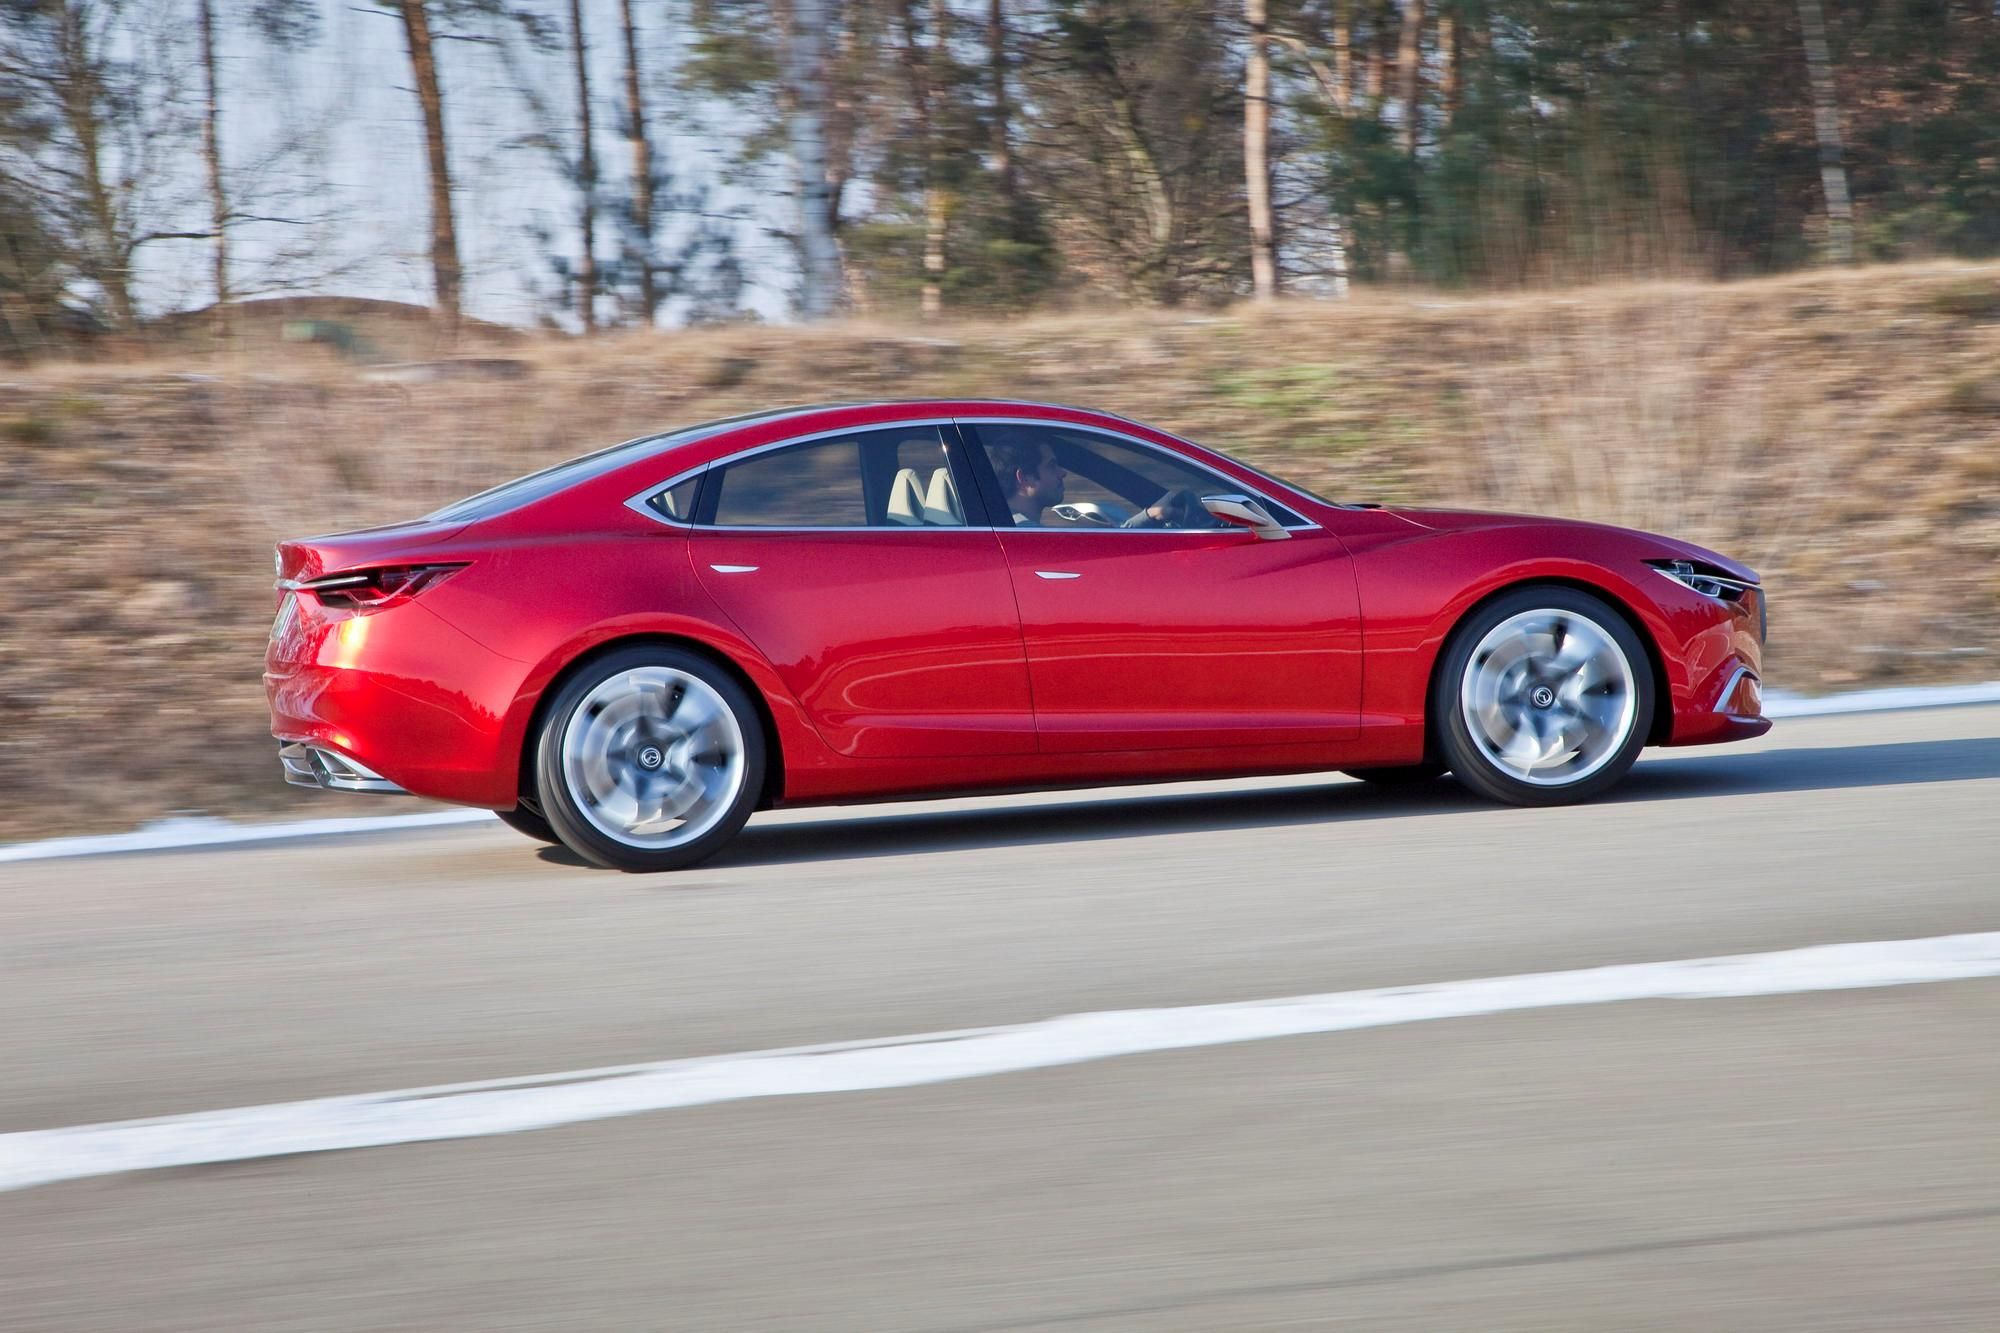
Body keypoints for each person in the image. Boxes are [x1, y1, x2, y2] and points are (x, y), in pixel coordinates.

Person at [986, 433, 1218, 529]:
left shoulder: (1015, 529)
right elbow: (1087, 567)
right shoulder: (1025, 536)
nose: (1063, 473)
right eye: (1052, 466)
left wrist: (1151, 516)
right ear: (1024, 478)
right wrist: (1149, 517)